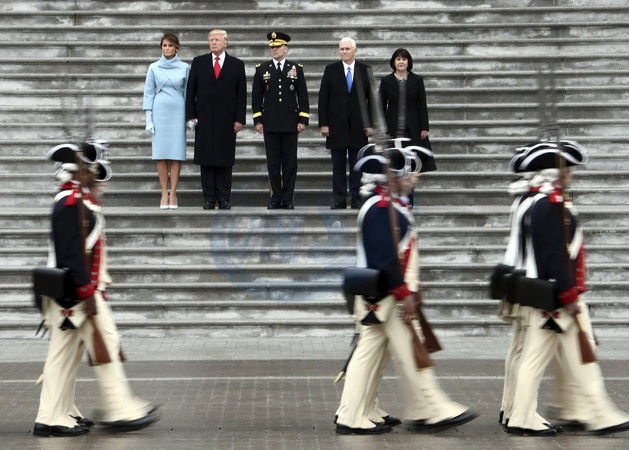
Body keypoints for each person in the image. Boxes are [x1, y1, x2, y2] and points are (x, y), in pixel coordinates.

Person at [335, 143, 477, 434]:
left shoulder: (387, 206)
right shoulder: (382, 209)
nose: (414, 178)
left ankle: (355, 412)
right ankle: (431, 409)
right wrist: (403, 293)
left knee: (371, 355)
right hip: (386, 296)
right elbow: (385, 258)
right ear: (393, 179)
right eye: (408, 174)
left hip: (385, 295)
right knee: (411, 353)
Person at [34, 142, 160, 437]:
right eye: (94, 173)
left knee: (64, 357)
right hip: (76, 295)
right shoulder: (71, 204)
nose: (99, 180)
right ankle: (119, 409)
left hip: (77, 294)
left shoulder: (78, 202)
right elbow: (71, 255)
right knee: (105, 347)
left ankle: (54, 414)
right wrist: (87, 292)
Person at [505, 141, 629, 436]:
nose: (570, 174)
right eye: (567, 170)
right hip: (556, 296)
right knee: (571, 359)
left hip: (550, 293)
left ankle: (530, 415)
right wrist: (569, 293)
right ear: (556, 173)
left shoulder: (543, 201)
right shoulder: (550, 204)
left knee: (551, 358)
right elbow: (555, 255)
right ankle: (596, 414)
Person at [186, 29, 246, 210]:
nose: (213, 42)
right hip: (204, 117)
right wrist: (191, 115)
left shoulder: (237, 64)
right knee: (206, 158)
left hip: (227, 118)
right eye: (211, 40)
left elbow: (242, 94)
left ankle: (224, 197)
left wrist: (239, 119)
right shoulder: (199, 62)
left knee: (225, 159)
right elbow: (191, 91)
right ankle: (209, 198)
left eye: (217, 40)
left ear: (225, 43)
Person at [252, 32, 310, 209]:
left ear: (285, 48)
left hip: (290, 123)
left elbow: (303, 95)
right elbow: (256, 97)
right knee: (273, 163)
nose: (274, 50)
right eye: (272, 47)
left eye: (277, 47)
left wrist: (303, 119)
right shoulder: (262, 69)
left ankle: (288, 198)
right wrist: (258, 119)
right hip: (270, 123)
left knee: (290, 163)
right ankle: (275, 197)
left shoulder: (296, 69)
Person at [318, 37, 372, 209]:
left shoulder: (365, 70)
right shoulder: (331, 70)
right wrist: (324, 123)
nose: (344, 52)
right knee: (338, 166)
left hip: (358, 127)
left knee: (357, 165)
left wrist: (370, 124)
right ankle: (339, 199)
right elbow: (323, 98)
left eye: (347, 49)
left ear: (355, 50)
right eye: (342, 49)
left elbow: (372, 98)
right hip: (336, 127)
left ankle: (356, 198)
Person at [380, 48, 435, 206]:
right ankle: (395, 200)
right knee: (394, 165)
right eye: (398, 59)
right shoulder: (386, 81)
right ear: (393, 62)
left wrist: (424, 127)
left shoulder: (417, 80)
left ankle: (408, 200)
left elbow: (422, 105)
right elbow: (381, 106)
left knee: (410, 165)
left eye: (404, 59)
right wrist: (381, 128)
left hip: (413, 128)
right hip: (392, 128)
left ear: (408, 62)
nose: (401, 62)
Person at [143, 32, 190, 209]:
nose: (167, 48)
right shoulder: (154, 68)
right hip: (160, 112)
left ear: (176, 48)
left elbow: (188, 94)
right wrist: (149, 119)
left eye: (170, 45)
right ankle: (164, 193)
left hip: (178, 113)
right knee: (161, 156)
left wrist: (190, 117)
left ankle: (174, 194)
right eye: (164, 45)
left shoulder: (185, 68)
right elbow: (148, 94)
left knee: (176, 156)